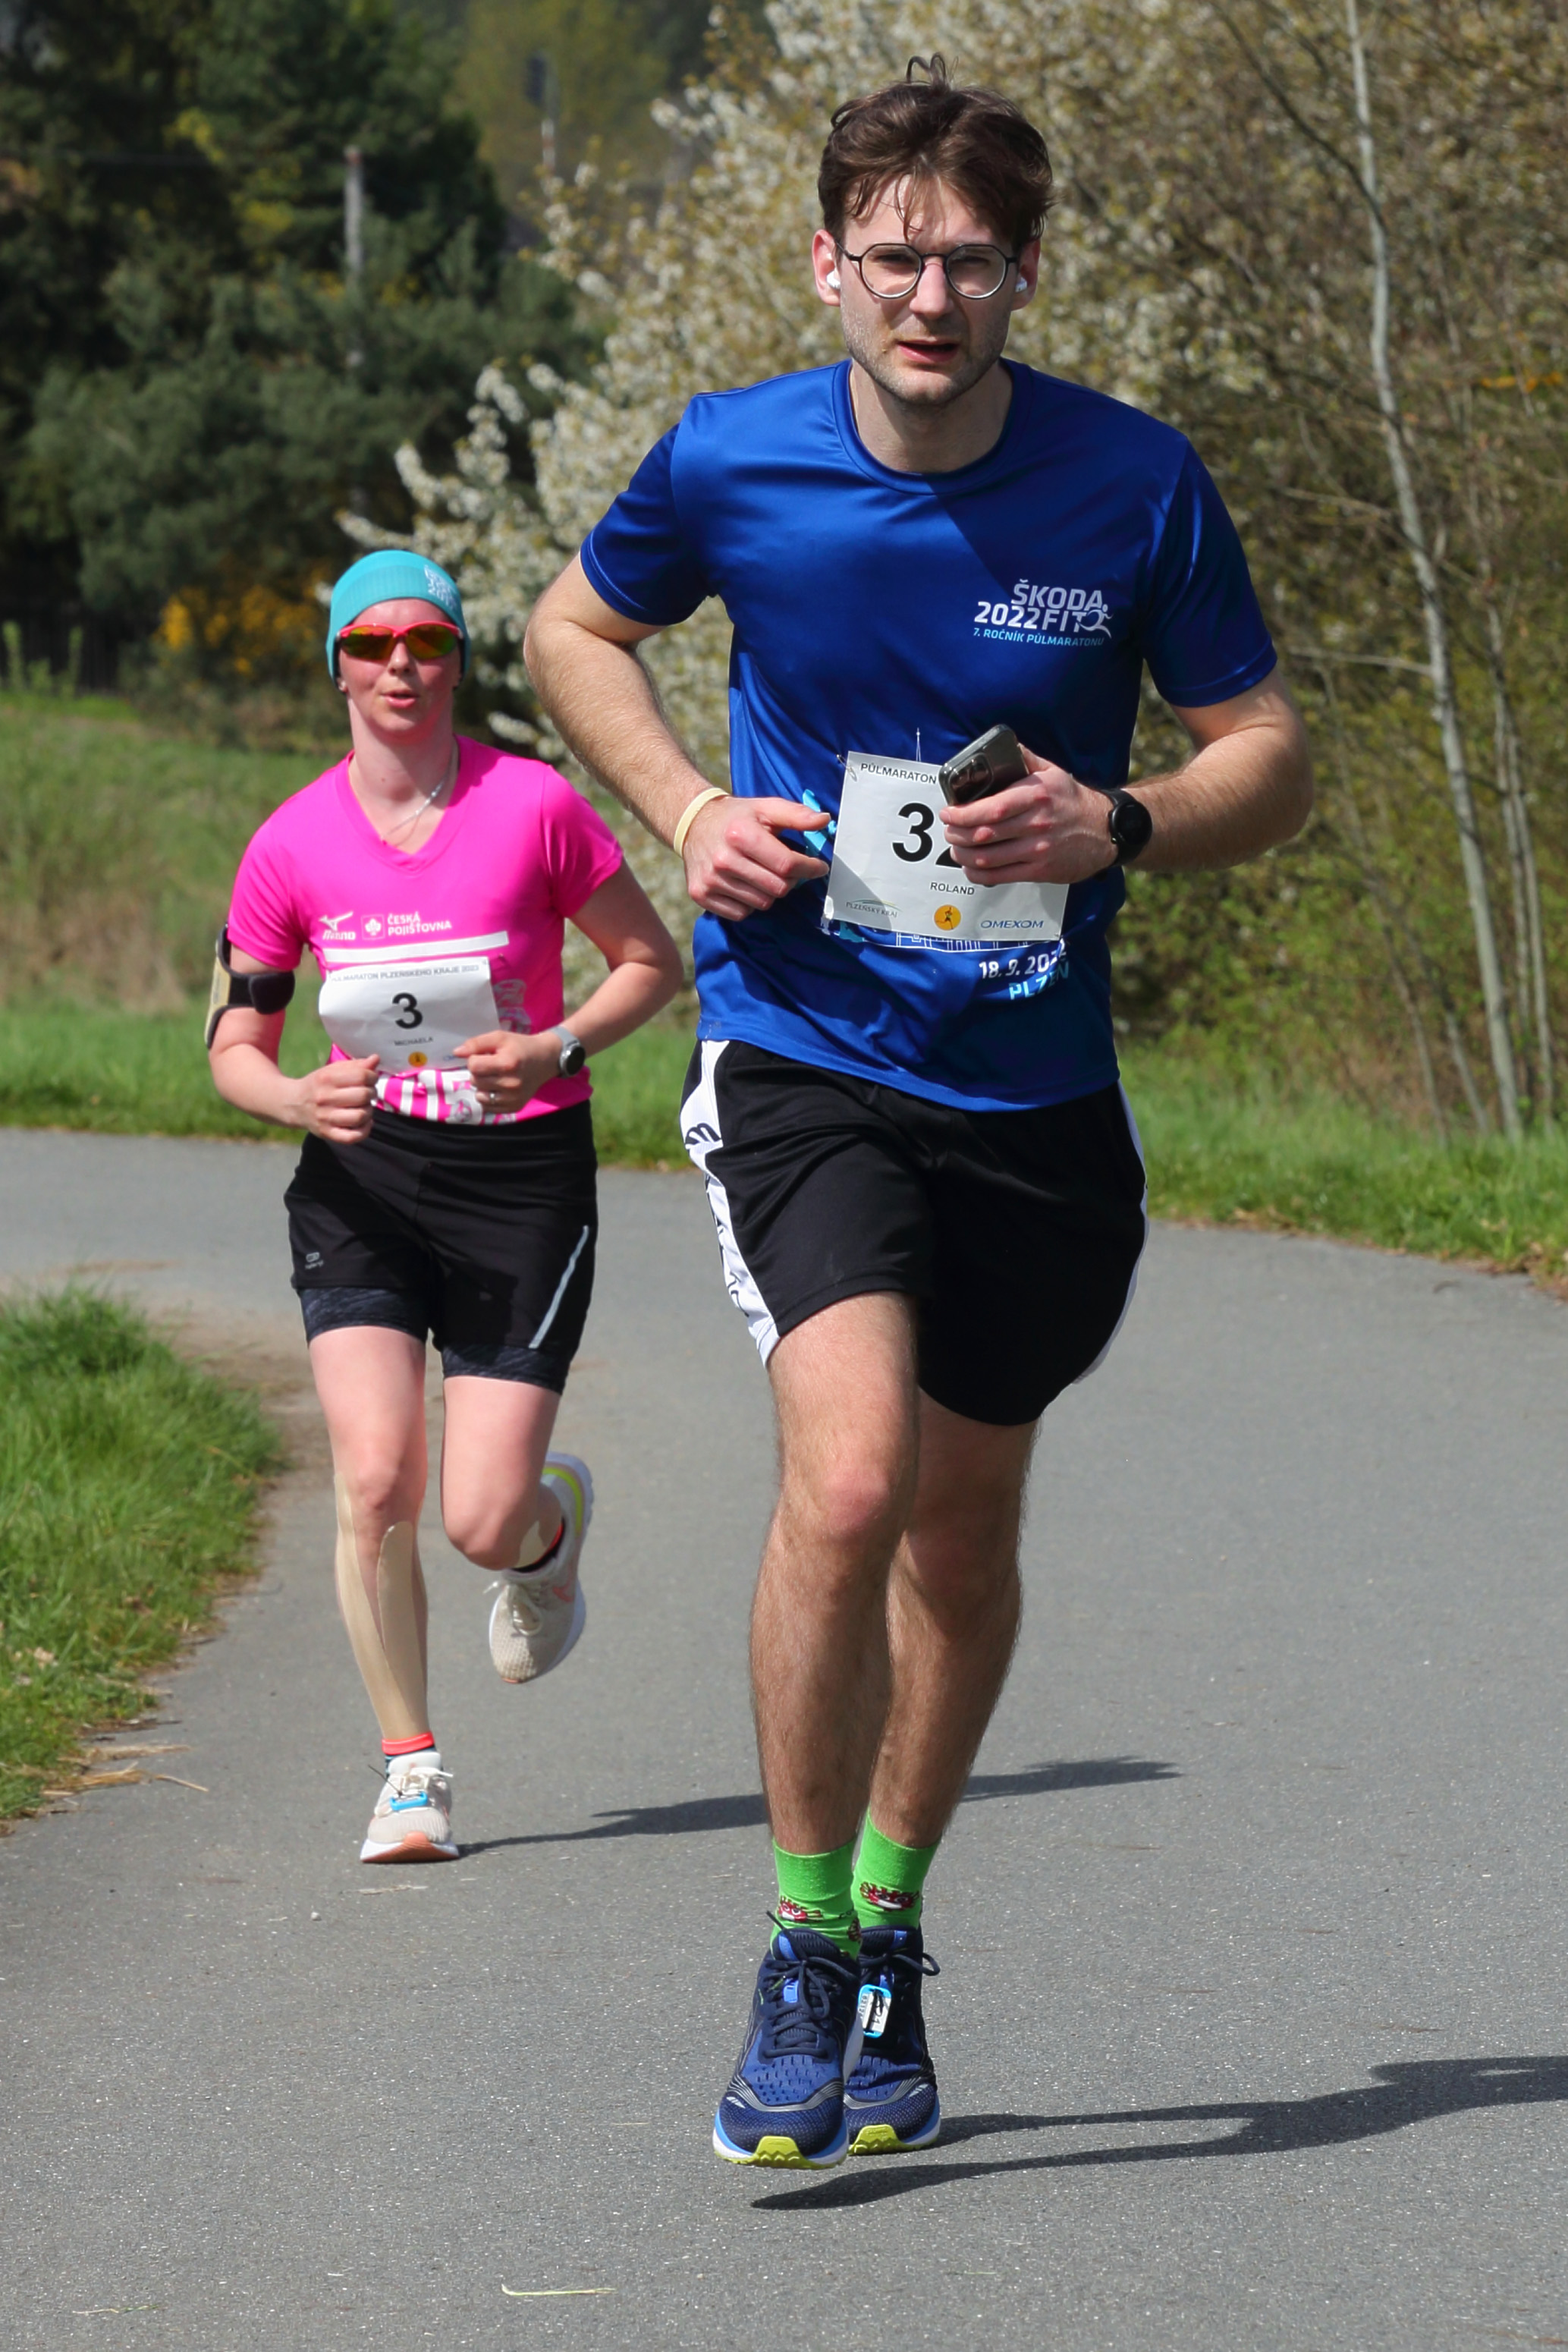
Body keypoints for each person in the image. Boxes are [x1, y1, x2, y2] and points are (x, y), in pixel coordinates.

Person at [525, 59, 1313, 2166]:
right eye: (892, 257)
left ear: (1025, 269)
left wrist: (1116, 817)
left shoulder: (1130, 482)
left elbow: (1266, 752)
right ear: (827, 262)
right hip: (804, 1049)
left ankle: (884, 1923)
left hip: (1034, 1089)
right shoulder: (733, 458)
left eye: (969, 259)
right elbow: (572, 626)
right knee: (853, 1478)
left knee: (958, 1535)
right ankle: (799, 1947)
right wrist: (682, 806)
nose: (929, 297)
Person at [209, 549, 683, 1863]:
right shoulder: (289, 842)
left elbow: (651, 961)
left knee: (478, 1518)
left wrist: (555, 1047)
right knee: (374, 1479)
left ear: (459, 660)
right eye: (372, 644)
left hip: (520, 1178)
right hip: (361, 1178)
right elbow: (235, 1044)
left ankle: (545, 1537)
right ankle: (410, 1768)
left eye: (427, 641)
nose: (401, 665)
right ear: (338, 668)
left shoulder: (533, 806)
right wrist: (295, 1097)